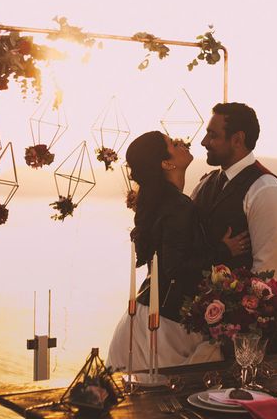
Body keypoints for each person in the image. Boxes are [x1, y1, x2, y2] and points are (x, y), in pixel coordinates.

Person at [106, 131, 249, 371]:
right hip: (165, 327)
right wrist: (224, 250)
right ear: (166, 163)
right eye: (172, 144)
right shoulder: (178, 206)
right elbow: (174, 267)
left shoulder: (162, 203)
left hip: (145, 314)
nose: (181, 142)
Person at [192, 102, 277, 353]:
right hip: (207, 332)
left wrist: (240, 333)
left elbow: (265, 277)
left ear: (237, 139)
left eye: (213, 135)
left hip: (251, 338)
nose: (204, 142)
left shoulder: (266, 189)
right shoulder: (206, 183)